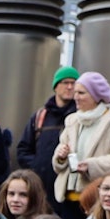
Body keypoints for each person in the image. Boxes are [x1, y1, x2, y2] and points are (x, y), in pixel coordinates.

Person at [52, 71, 110, 219]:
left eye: (81, 93)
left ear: (96, 95)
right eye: (75, 92)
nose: (75, 97)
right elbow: (59, 163)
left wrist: (91, 166)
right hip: (66, 201)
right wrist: (60, 157)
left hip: (99, 202)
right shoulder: (73, 121)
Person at [15, 66, 78, 206]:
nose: (69, 87)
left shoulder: (80, 117)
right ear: (55, 86)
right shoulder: (40, 117)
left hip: (70, 192)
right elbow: (23, 150)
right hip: (42, 190)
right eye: (65, 83)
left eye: (73, 83)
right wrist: (38, 167)